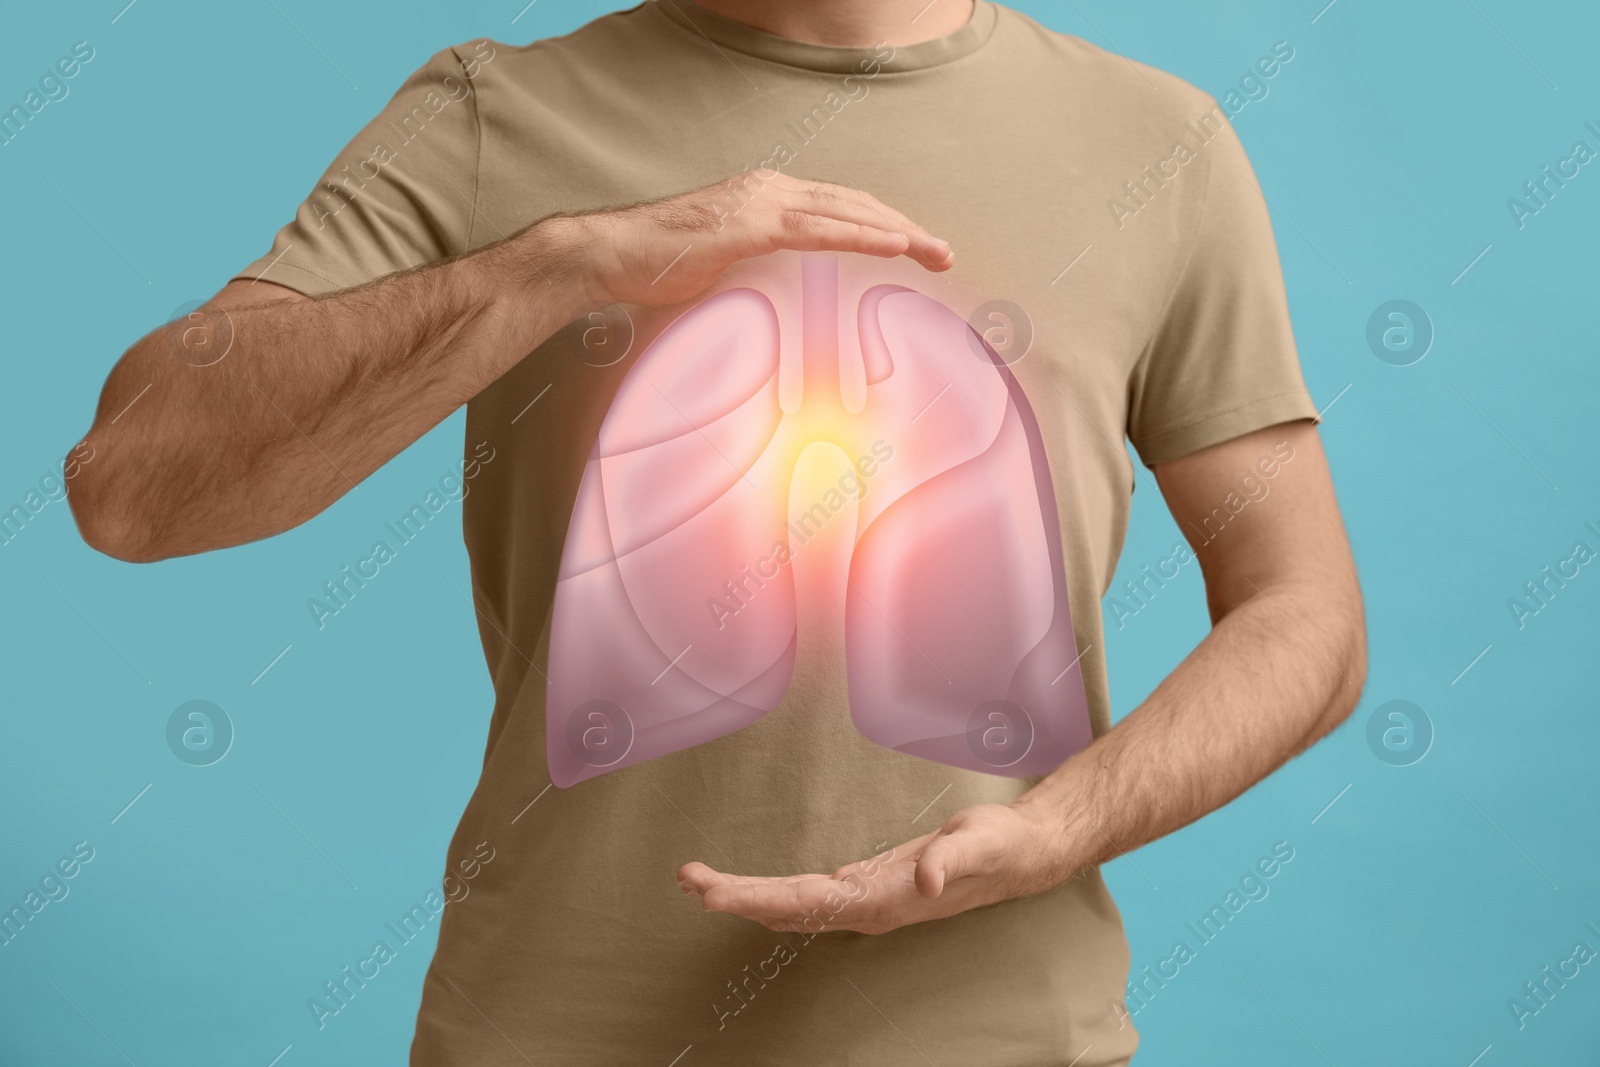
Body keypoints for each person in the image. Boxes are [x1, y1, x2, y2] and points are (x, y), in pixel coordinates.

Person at [65, 0, 1366, 1062]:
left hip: (998, 1036)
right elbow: (132, 486)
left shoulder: (1158, 144)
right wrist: (558, 261)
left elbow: (1305, 613)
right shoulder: (492, 116)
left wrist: (1062, 826)